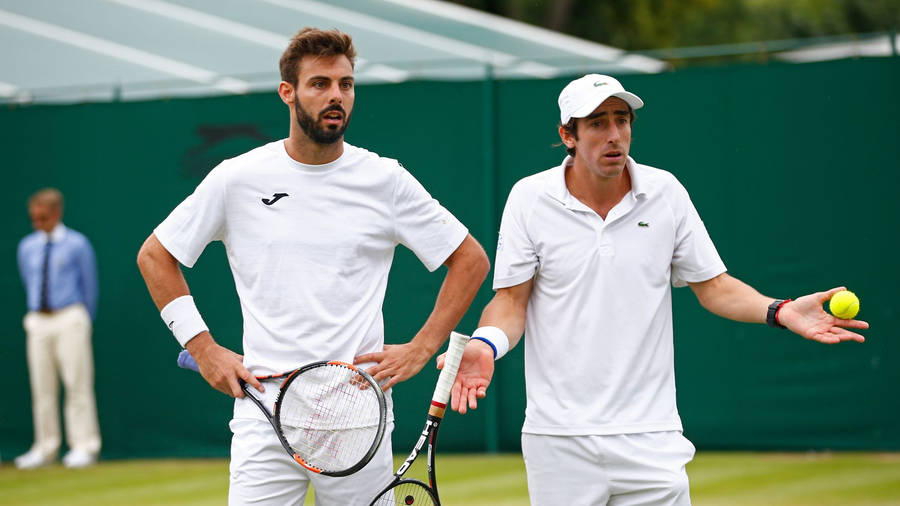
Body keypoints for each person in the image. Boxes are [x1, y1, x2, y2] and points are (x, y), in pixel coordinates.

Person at [443, 74, 869, 505]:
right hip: (558, 440)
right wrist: (486, 343)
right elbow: (511, 302)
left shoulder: (666, 192)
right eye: (597, 123)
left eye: (621, 119)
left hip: (652, 436)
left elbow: (715, 287)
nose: (614, 134)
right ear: (568, 135)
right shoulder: (529, 198)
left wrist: (780, 310)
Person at [136, 28, 489, 505]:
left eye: (346, 84)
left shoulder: (384, 179)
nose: (336, 96)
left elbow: (470, 260)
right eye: (320, 84)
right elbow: (155, 256)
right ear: (288, 92)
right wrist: (203, 349)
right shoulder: (237, 178)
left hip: (358, 416)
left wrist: (423, 347)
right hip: (262, 412)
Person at [16, 188, 101, 469]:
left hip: (70, 316)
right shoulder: (27, 247)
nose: (38, 223)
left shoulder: (77, 244)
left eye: (43, 217)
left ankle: (84, 446)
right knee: (42, 388)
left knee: (77, 384)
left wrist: (82, 319)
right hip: (38, 320)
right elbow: (27, 280)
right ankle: (45, 448)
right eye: (34, 218)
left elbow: (89, 286)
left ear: (56, 213)